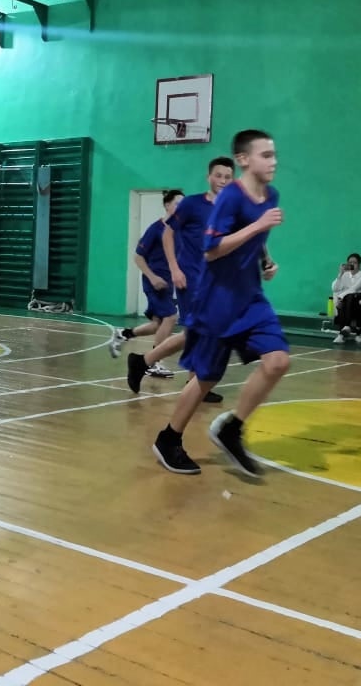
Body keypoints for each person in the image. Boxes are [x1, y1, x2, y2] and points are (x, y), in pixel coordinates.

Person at [151, 129, 288, 477]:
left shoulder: (270, 195)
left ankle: (231, 428)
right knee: (206, 378)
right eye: (265, 155)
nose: (273, 161)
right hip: (218, 301)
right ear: (244, 159)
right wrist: (257, 226)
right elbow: (211, 250)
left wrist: (266, 262)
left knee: (277, 362)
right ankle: (169, 439)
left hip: (251, 298)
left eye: (274, 154)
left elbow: (254, 241)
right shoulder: (230, 198)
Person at [124, 158, 235, 399]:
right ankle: (191, 384)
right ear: (209, 177)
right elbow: (168, 234)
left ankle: (144, 362)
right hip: (190, 277)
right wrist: (174, 269)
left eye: (228, 176)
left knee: (199, 332)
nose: (223, 180)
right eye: (218, 175)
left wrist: (265, 260)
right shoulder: (192, 204)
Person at [108, 189, 184, 378]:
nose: (181, 207)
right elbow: (138, 257)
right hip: (154, 281)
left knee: (158, 324)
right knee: (170, 317)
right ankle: (154, 362)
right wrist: (152, 277)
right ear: (167, 205)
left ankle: (124, 334)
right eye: (177, 203)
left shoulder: (179, 230)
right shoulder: (155, 229)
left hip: (168, 282)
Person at [331, 253, 361, 342]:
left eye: (355, 262)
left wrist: (340, 297)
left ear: (359, 264)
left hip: (358, 305)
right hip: (346, 305)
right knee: (344, 302)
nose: (352, 264)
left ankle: (343, 331)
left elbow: (354, 289)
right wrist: (340, 274)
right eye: (350, 262)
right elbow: (335, 288)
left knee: (350, 296)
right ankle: (344, 332)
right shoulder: (345, 275)